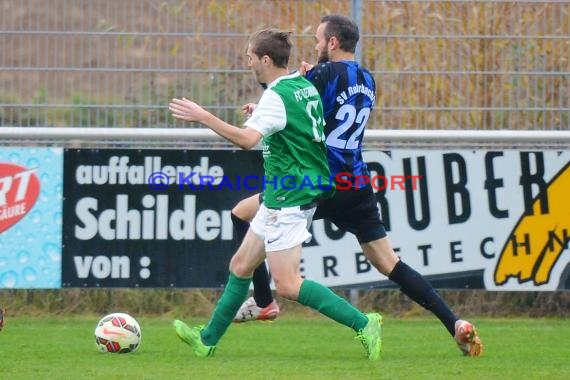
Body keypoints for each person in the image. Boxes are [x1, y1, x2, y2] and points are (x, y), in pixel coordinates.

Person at [230, 15, 483, 357]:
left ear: (332, 43)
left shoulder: (321, 74)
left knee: (242, 215)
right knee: (390, 263)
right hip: (358, 182)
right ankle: (454, 324)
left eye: (319, 40)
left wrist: (271, 97)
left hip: (320, 183)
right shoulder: (367, 79)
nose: (317, 46)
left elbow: (288, 98)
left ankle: (264, 302)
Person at [169, 28, 383, 360]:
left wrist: (204, 117)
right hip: (284, 192)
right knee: (241, 265)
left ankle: (364, 323)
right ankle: (207, 340)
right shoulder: (301, 86)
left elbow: (246, 141)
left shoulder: (276, 96)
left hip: (290, 197)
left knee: (288, 285)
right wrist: (263, 117)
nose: (248, 62)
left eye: (250, 56)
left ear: (265, 60)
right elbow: (297, 128)